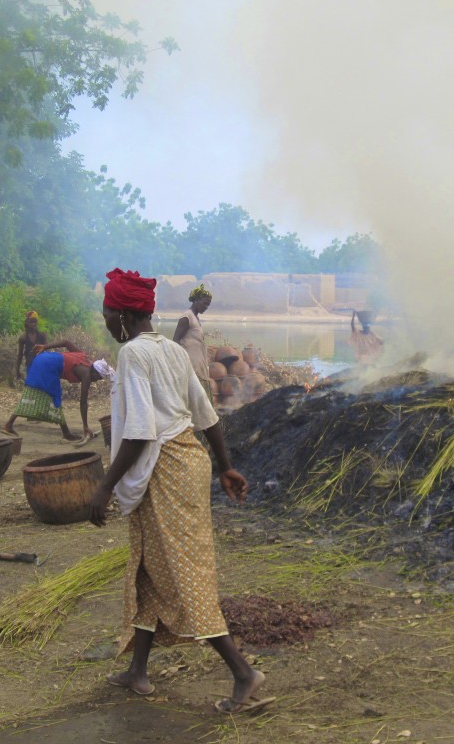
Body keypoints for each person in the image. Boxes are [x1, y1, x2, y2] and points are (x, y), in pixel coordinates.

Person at [89, 268, 273, 715]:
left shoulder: (134, 354)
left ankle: (243, 673)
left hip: (164, 467)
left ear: (121, 315)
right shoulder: (170, 349)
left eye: (107, 313)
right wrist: (225, 467)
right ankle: (137, 672)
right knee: (150, 567)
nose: (106, 321)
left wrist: (104, 488)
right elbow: (205, 413)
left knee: (183, 573)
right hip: (187, 459)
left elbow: (137, 432)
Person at [1, 339, 109, 443]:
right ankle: (66, 434)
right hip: (48, 366)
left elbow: (66, 342)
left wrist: (44, 347)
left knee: (32, 392)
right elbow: (83, 402)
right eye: (98, 377)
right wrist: (85, 426)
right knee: (55, 398)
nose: (96, 380)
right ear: (95, 371)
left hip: (43, 358)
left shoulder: (82, 356)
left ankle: (8, 425)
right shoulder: (87, 375)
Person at [173, 283, 213, 397]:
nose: (206, 307)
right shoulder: (187, 317)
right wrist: (182, 361)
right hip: (191, 366)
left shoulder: (195, 318)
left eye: (208, 305)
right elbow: (175, 340)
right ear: (196, 300)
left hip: (199, 366)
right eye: (205, 303)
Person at [15, 310, 47, 383]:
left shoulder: (42, 335)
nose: (33, 324)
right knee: (32, 385)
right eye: (31, 322)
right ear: (26, 323)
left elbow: (48, 350)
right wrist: (17, 371)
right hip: (30, 365)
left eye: (35, 322)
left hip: (42, 365)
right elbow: (20, 355)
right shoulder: (23, 338)